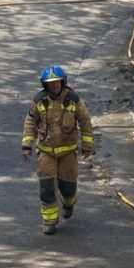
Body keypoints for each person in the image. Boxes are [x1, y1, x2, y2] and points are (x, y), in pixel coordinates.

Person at [22, 64, 94, 235]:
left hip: (68, 153)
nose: (54, 85)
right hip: (46, 152)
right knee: (47, 187)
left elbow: (85, 122)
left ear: (63, 82)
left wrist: (87, 146)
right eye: (50, 83)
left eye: (57, 82)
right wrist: (26, 145)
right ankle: (49, 221)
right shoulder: (39, 101)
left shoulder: (73, 100)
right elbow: (30, 122)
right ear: (45, 85)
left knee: (68, 187)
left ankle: (69, 204)